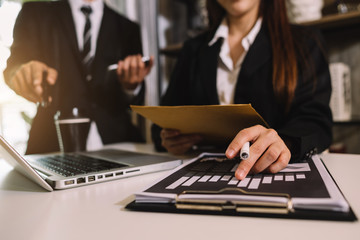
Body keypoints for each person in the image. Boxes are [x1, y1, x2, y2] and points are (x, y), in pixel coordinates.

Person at [152, 0, 333, 180]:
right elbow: (161, 122)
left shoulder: (304, 42)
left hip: (270, 176)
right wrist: (169, 139)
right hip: (203, 174)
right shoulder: (192, 50)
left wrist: (285, 141)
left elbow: (317, 122)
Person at [4, 0, 153, 154]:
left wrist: (130, 86)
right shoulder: (36, 13)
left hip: (119, 143)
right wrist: (21, 73)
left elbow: (138, 98)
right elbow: (15, 66)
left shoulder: (128, 27)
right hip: (51, 141)